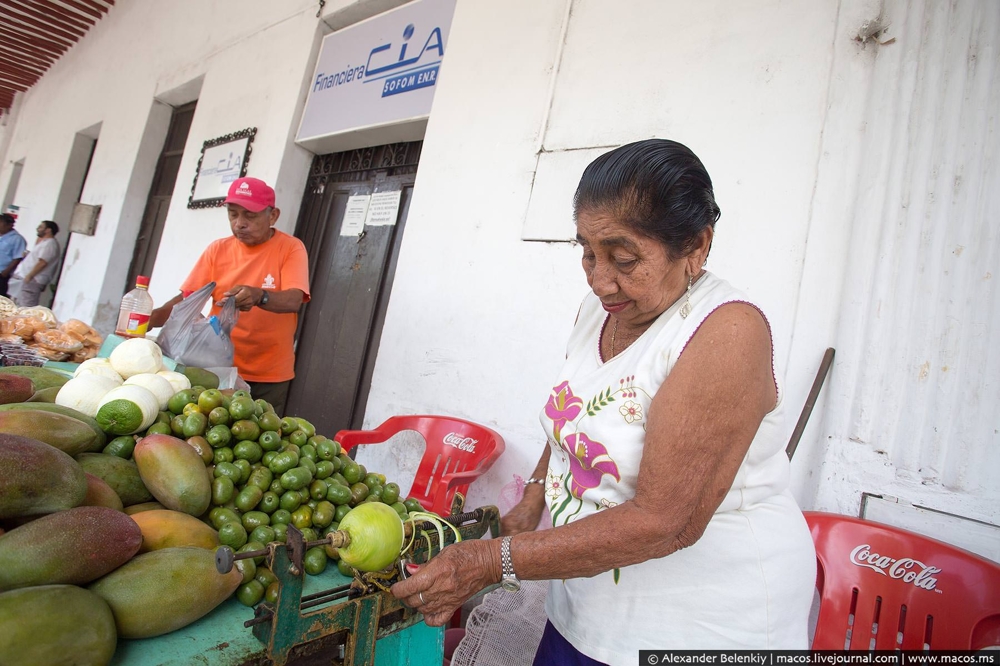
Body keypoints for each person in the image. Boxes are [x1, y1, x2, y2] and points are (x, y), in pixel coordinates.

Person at [391, 140, 816, 661]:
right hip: (584, 606)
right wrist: (531, 501)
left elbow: (668, 521)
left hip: (702, 624)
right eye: (588, 253)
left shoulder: (725, 332)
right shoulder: (602, 310)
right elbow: (573, 416)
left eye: (623, 258)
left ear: (697, 246)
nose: (599, 279)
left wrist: (491, 559)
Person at [150, 177, 310, 416]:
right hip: (215, 369)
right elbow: (188, 298)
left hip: (268, 373)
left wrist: (260, 296)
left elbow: (294, 299)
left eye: (250, 215)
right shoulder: (218, 249)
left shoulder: (290, 248)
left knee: (257, 438)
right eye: (233, 214)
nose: (239, 224)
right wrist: (149, 319)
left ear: (273, 216)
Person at [10, 220, 60, 307]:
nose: (38, 229)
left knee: (26, 306)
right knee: (19, 304)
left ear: (48, 230)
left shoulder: (50, 244)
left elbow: (43, 262)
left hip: (33, 279)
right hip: (27, 278)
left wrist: (29, 276)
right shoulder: (44, 242)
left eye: (41, 227)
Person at [0, 214, 26, 298]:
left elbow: (17, 257)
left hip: (2, 273)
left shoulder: (17, 239)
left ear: (9, 225)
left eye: (1, 223)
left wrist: (6, 272)